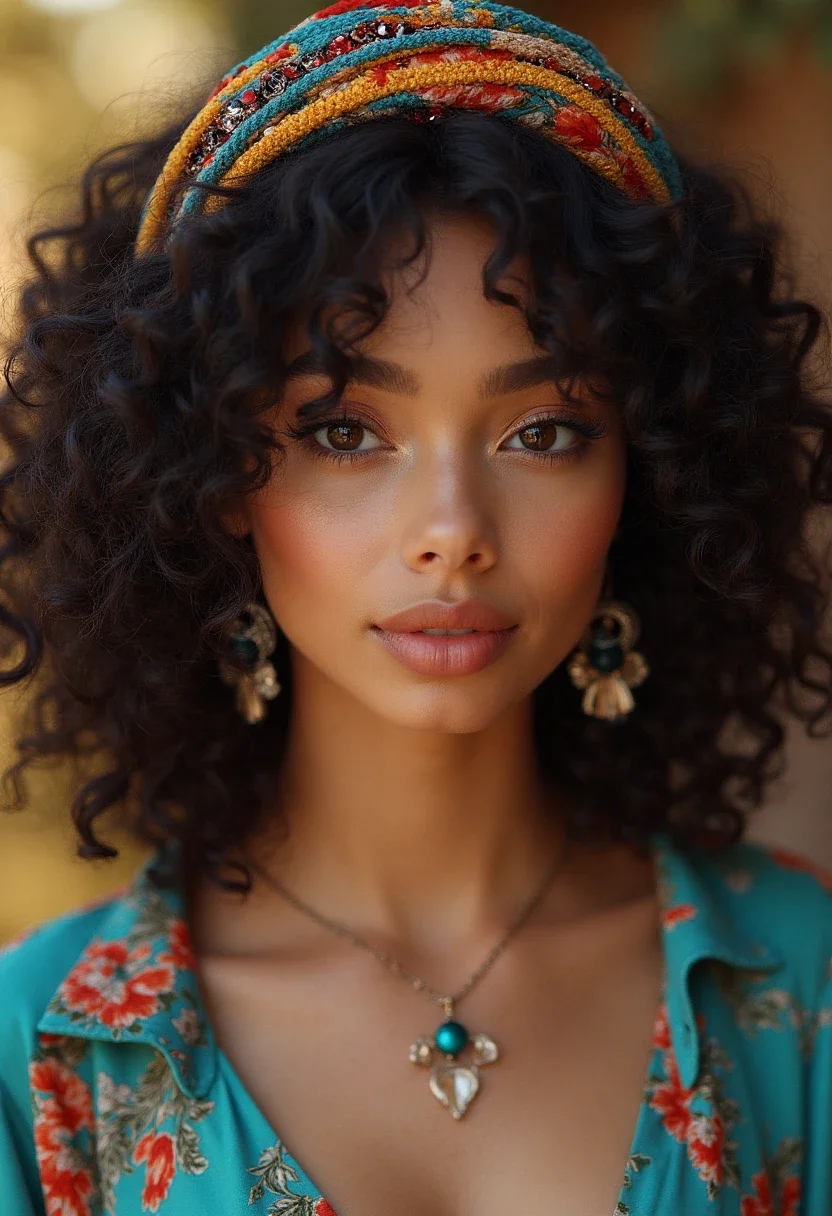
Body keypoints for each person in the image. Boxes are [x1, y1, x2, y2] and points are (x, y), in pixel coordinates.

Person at [0, 0, 830, 1212]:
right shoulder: (41, 1061)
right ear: (218, 475)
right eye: (344, 430)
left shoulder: (800, 990)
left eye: (543, 431)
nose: (453, 528)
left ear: (647, 474)